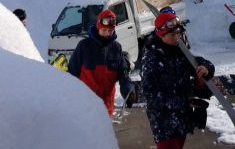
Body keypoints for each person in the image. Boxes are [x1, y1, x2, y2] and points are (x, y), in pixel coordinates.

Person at [141, 10, 214, 149]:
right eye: (173, 34)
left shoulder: (179, 51)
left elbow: (198, 62)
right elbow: (150, 96)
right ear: (161, 34)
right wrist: (184, 101)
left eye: (179, 33)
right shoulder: (151, 58)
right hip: (164, 123)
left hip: (181, 120)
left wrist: (206, 68)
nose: (177, 37)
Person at [68, 9, 136, 116]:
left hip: (106, 106)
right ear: (98, 26)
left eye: (110, 31)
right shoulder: (84, 46)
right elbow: (72, 73)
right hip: (85, 105)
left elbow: (122, 73)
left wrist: (127, 88)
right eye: (104, 30)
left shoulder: (116, 47)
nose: (107, 34)